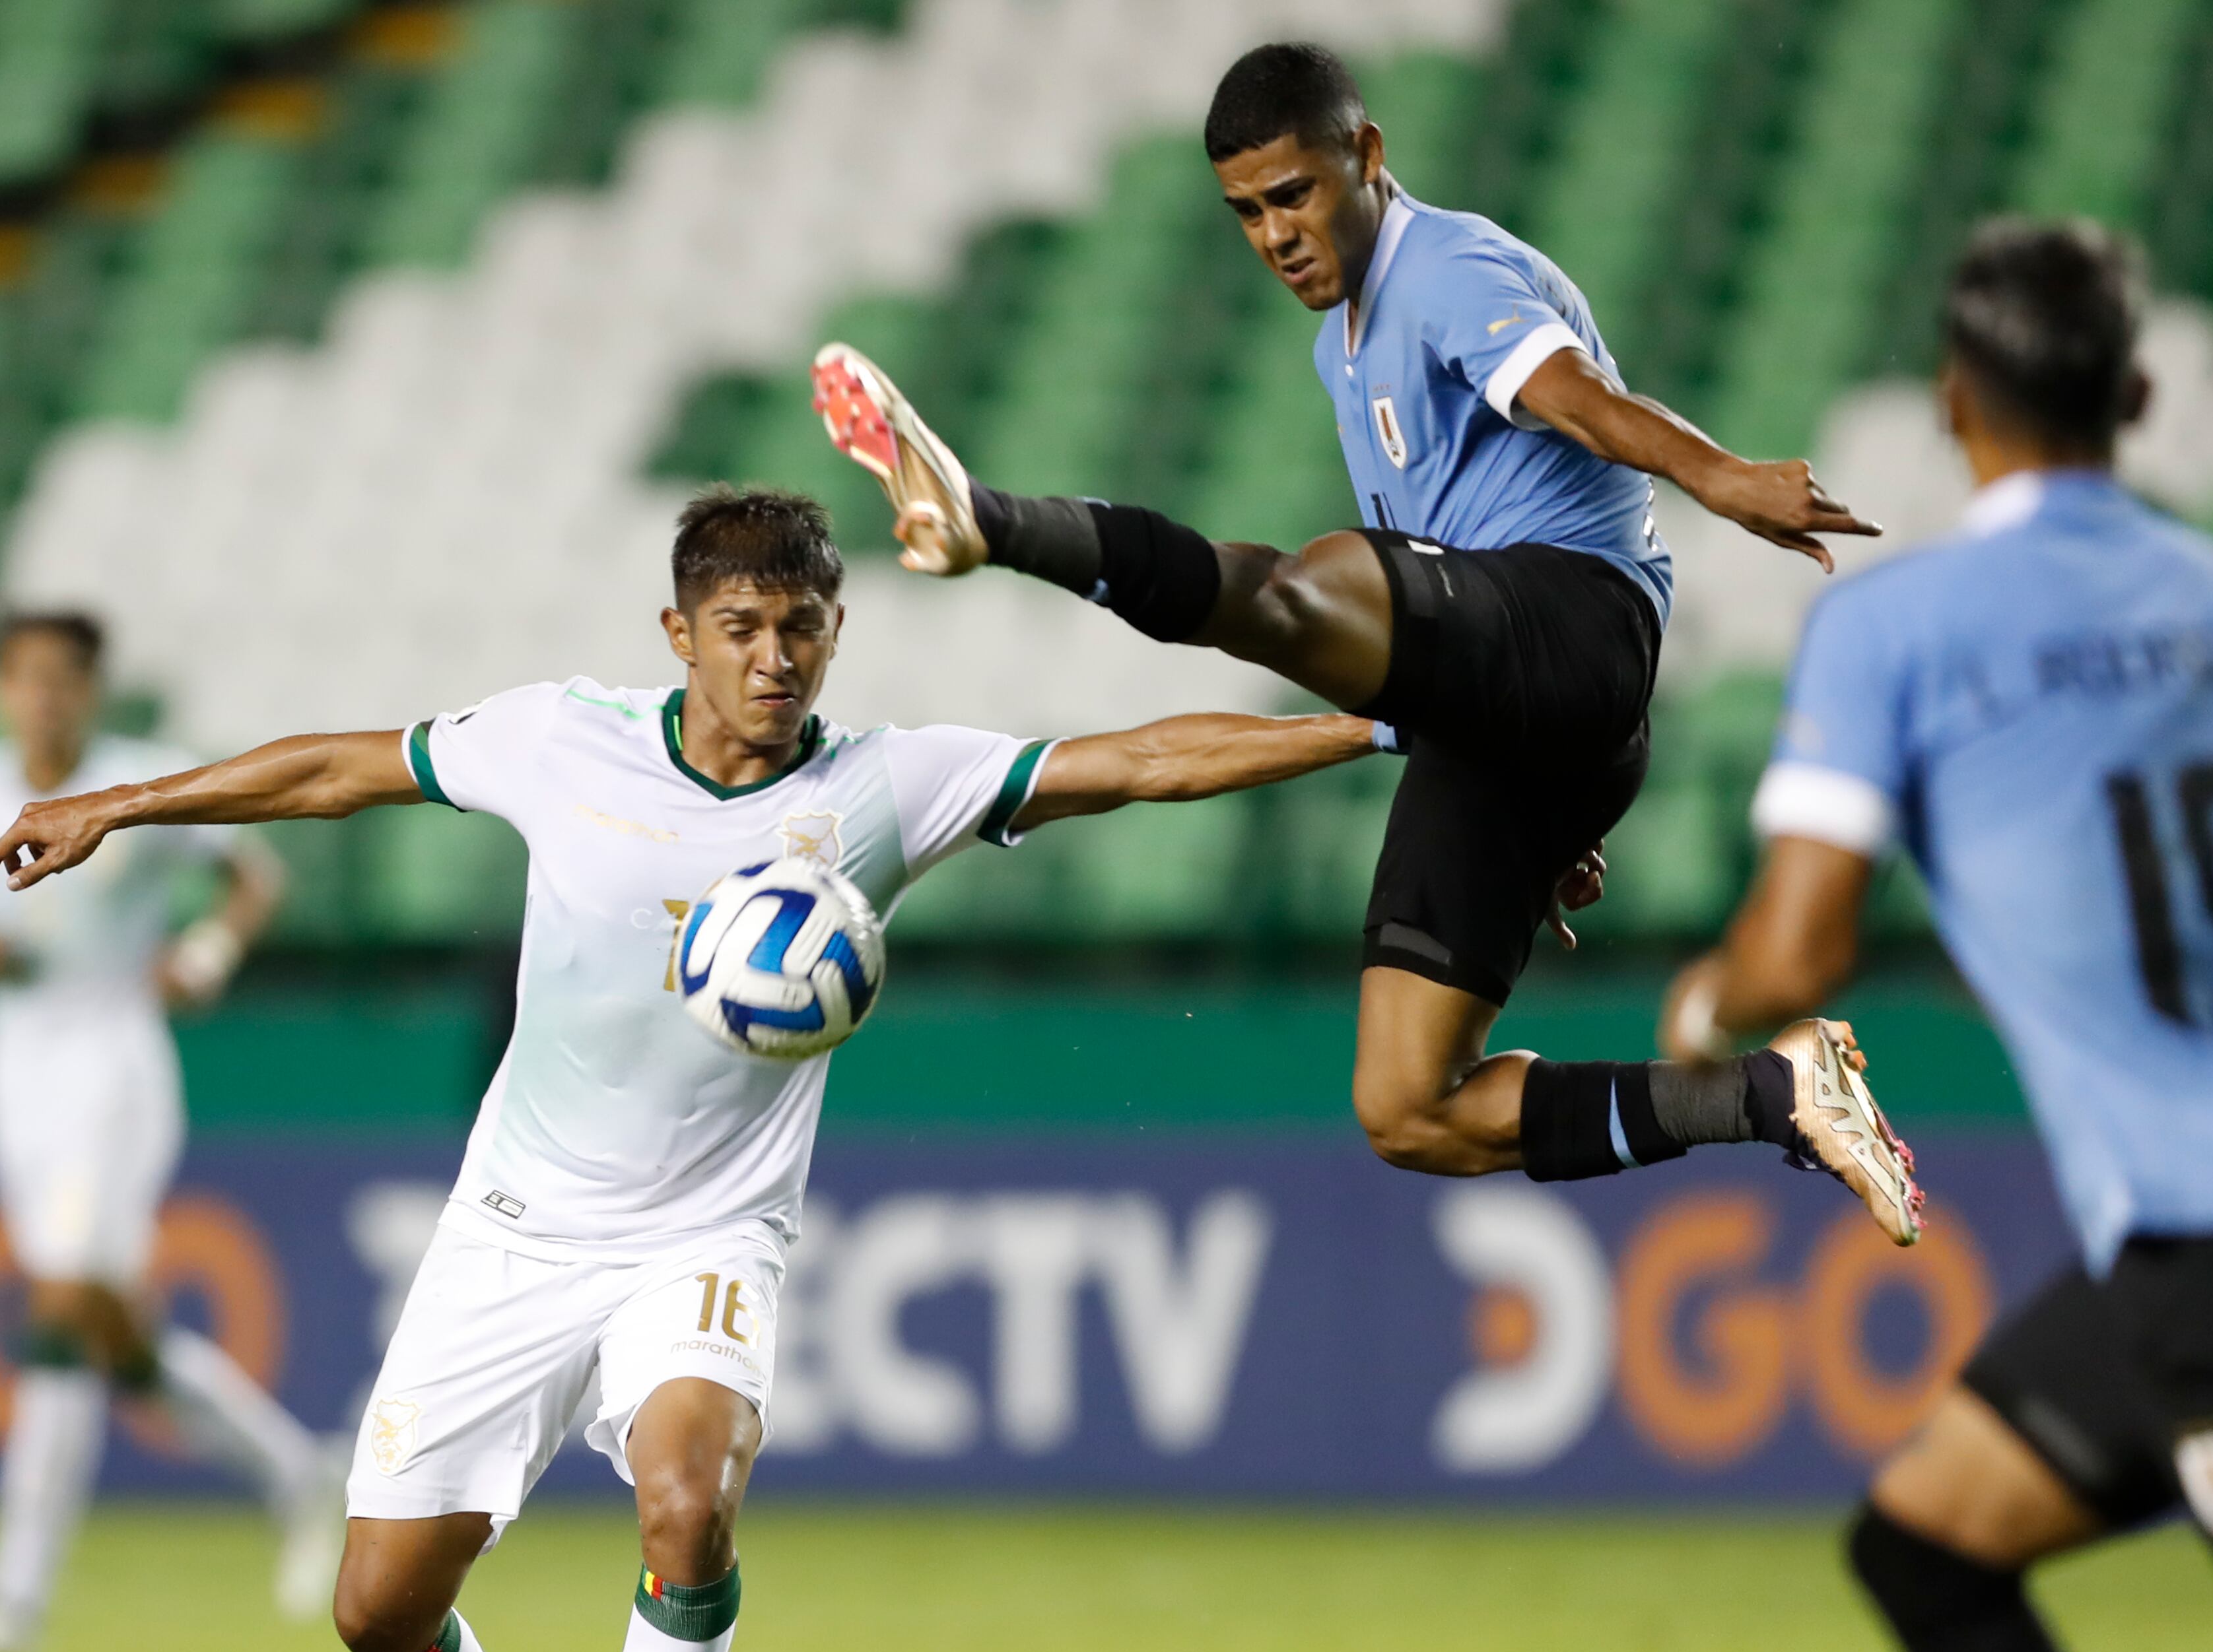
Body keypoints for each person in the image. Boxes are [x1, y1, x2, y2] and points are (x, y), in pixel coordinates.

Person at [0, 488, 1384, 1652]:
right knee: (376, 1613)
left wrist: (1378, 732)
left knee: (687, 1503)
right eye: (743, 627)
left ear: (836, 632)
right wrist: (118, 804)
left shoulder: (887, 788)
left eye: (803, 627)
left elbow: (1141, 761)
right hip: (516, 1227)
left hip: (706, 1239)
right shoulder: (560, 738)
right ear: (679, 635)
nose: (775, 659)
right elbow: (335, 772)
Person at [809, 41, 1918, 1240]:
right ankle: (1772, 1094)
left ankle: (993, 522)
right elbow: (1431, 633)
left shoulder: (1443, 267)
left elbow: (1575, 399)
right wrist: (1547, 791)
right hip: (1516, 717)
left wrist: (1719, 475)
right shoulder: (1338, 346)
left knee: (1303, 592)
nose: (1275, 234)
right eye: (1247, 212)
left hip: (1578, 621)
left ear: (1367, 154)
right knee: (1409, 1109)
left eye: (1293, 194)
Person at [1658, 218, 2213, 1652]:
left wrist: (1701, 1014)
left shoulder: (1896, 631)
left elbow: (1796, 956)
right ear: (2133, 396)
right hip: (2176, 1252)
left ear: (1950, 401)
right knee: (1926, 1542)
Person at [0, 610, 338, 1652]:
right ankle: (298, 1474)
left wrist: (204, 954)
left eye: (64, 678)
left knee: (59, 1306)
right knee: (110, 1334)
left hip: (112, 1066)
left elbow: (254, 879)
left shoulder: (137, 784)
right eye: (25, 678)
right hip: (12, 1075)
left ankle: (13, 1600)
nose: (45, 698)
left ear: (93, 689)